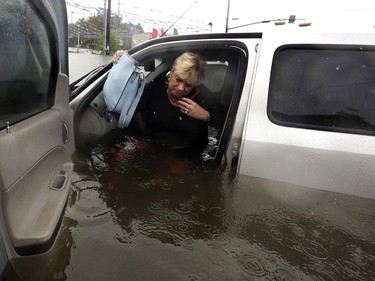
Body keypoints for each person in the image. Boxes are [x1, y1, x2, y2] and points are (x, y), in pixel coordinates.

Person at [112, 50, 223, 157]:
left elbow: (225, 122)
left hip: (188, 156)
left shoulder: (201, 95)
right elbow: (132, 111)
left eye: (188, 85)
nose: (181, 88)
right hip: (155, 148)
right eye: (178, 79)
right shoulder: (154, 90)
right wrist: (121, 63)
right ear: (172, 71)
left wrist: (205, 116)